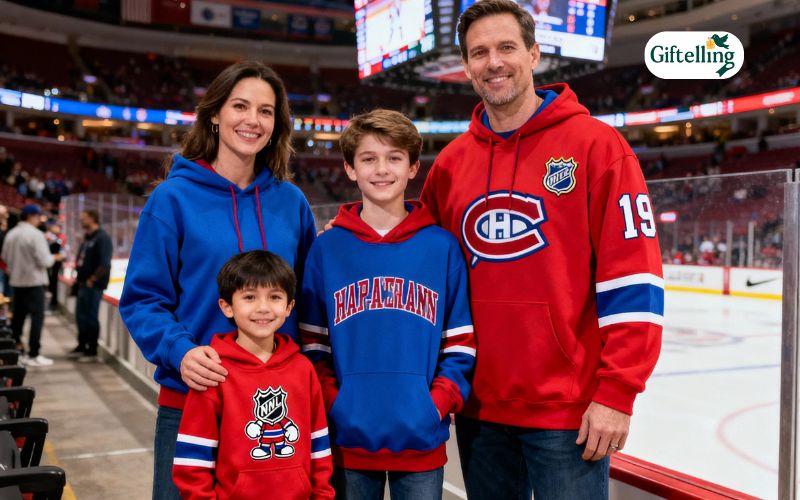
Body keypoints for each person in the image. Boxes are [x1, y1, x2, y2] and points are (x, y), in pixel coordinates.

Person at [418, 1, 663, 498]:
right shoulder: (450, 164)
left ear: (533, 55)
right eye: (479, 52)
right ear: (465, 68)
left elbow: (634, 279)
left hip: (566, 414)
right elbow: (418, 258)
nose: (494, 62)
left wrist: (618, 393)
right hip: (479, 409)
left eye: (506, 47)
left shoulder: (598, 147)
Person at [120, 61, 317, 500]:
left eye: (266, 111)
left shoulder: (291, 202)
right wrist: (180, 351)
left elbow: (308, 299)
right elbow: (142, 299)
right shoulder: (172, 199)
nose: (253, 120)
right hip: (195, 399)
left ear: (276, 124)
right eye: (240, 106)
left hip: (276, 407)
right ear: (214, 113)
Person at [300, 109, 476, 499]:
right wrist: (336, 405)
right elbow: (312, 345)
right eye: (368, 158)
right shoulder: (327, 249)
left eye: (394, 157)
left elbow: (460, 344)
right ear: (349, 169)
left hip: (421, 440)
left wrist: (434, 407)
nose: (382, 169)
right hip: (348, 438)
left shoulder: (441, 247)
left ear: (413, 167)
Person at [172, 250, 334, 500]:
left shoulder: (303, 369)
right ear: (226, 306)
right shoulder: (214, 371)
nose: (263, 308)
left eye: (275, 297)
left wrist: (322, 495)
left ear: (289, 306)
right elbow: (193, 457)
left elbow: (318, 443)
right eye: (249, 297)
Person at [1, 204, 58, 367]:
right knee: (36, 319)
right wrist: (55, 258)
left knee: (17, 318)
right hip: (34, 283)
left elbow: (4, 256)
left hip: (16, 283)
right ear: (32, 217)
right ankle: (34, 354)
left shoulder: (11, 234)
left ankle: (15, 352)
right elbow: (45, 261)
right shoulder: (36, 235)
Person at [70, 210, 112, 362]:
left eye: (84, 218)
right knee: (81, 316)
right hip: (82, 283)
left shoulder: (102, 238)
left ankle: (92, 350)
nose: (81, 221)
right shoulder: (87, 238)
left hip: (93, 285)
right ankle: (82, 345)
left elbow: (105, 263)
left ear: (93, 219)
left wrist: (92, 279)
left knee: (91, 317)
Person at [45, 221, 66, 310]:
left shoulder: (60, 237)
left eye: (55, 227)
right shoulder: (52, 237)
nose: (53, 229)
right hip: (52, 263)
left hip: (57, 264)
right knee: (52, 283)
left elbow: (63, 251)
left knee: (55, 284)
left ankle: (54, 302)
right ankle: (53, 301)